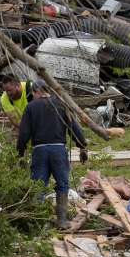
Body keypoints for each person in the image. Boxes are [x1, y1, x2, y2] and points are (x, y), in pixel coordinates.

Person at [16, 81, 87, 228]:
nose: (33, 97)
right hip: (58, 151)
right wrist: (82, 146)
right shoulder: (61, 104)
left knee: (38, 186)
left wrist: (21, 154)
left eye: (33, 94)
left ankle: (37, 222)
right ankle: (61, 220)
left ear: (36, 91)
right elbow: (73, 127)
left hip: (39, 151)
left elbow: (24, 133)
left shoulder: (31, 107)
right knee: (62, 185)